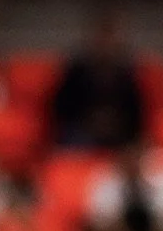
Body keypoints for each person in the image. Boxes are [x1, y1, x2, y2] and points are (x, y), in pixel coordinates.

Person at [48, 14, 147, 154]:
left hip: (121, 132)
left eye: (111, 38)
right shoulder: (76, 71)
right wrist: (90, 121)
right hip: (82, 131)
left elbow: (137, 112)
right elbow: (61, 108)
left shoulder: (129, 74)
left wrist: (115, 124)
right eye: (103, 38)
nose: (107, 44)